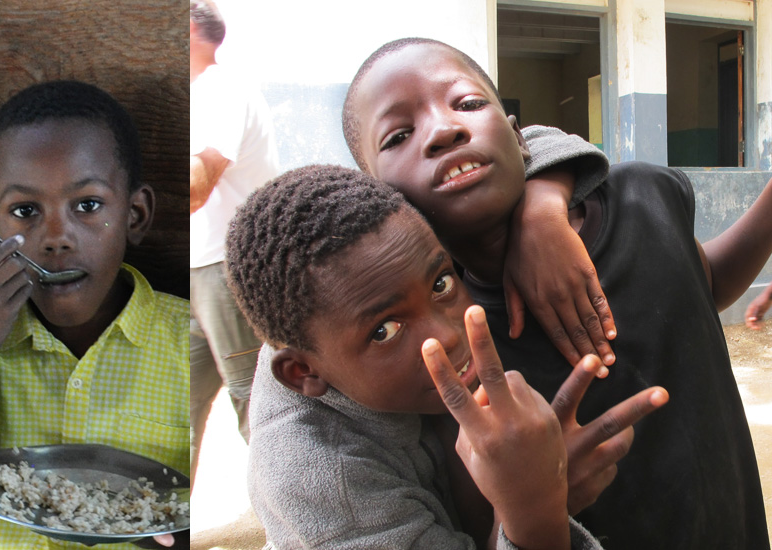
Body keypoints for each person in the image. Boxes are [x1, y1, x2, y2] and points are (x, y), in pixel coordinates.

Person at [341, 37, 772, 549]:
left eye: (470, 104)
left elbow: (706, 287)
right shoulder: (451, 344)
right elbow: (484, 522)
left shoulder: (642, 195)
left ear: (520, 138)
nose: (444, 129)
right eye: (398, 136)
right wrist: (539, 497)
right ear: (377, 194)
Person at [227, 165, 665, 549]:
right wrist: (535, 505)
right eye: (385, 331)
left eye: (441, 284)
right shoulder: (324, 480)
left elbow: (526, 145)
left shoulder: (371, 258)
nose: (447, 337)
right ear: (303, 372)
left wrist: (542, 210)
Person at [0, 81, 190, 550]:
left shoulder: (189, 342)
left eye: (87, 205)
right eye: (25, 210)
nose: (55, 237)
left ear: (136, 214)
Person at [187, 0, 276, 469]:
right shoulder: (200, 94)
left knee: (255, 400)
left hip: (227, 266)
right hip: (197, 268)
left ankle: (301, 524)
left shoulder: (221, 90)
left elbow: (197, 186)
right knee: (180, 405)